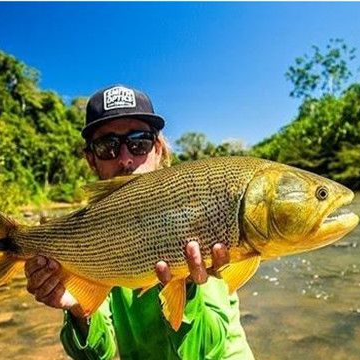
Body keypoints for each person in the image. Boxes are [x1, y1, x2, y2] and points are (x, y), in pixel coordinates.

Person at [23, 85, 254, 359]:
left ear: (157, 149)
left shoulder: (202, 212)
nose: (126, 159)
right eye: (108, 146)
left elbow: (207, 350)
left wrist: (189, 286)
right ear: (91, 159)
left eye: (139, 143)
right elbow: (100, 356)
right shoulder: (91, 239)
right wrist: (78, 311)